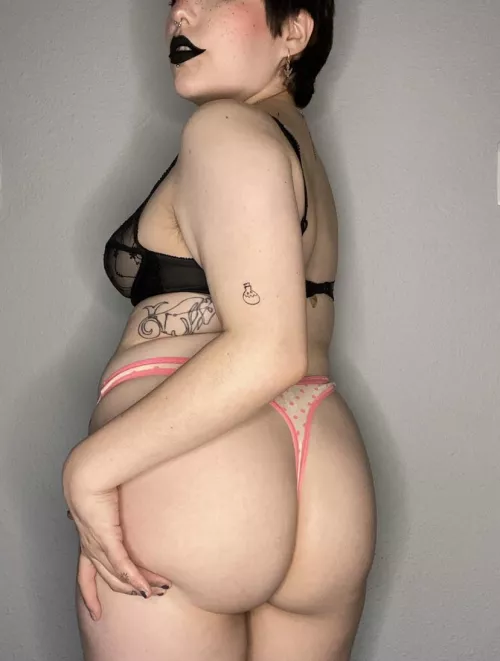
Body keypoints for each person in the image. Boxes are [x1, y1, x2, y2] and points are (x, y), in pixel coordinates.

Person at [62, 0, 377, 657]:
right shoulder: (295, 147)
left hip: (205, 475)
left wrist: (89, 470)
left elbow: (269, 348)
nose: (181, 12)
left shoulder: (224, 129)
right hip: (327, 469)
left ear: (294, 31)